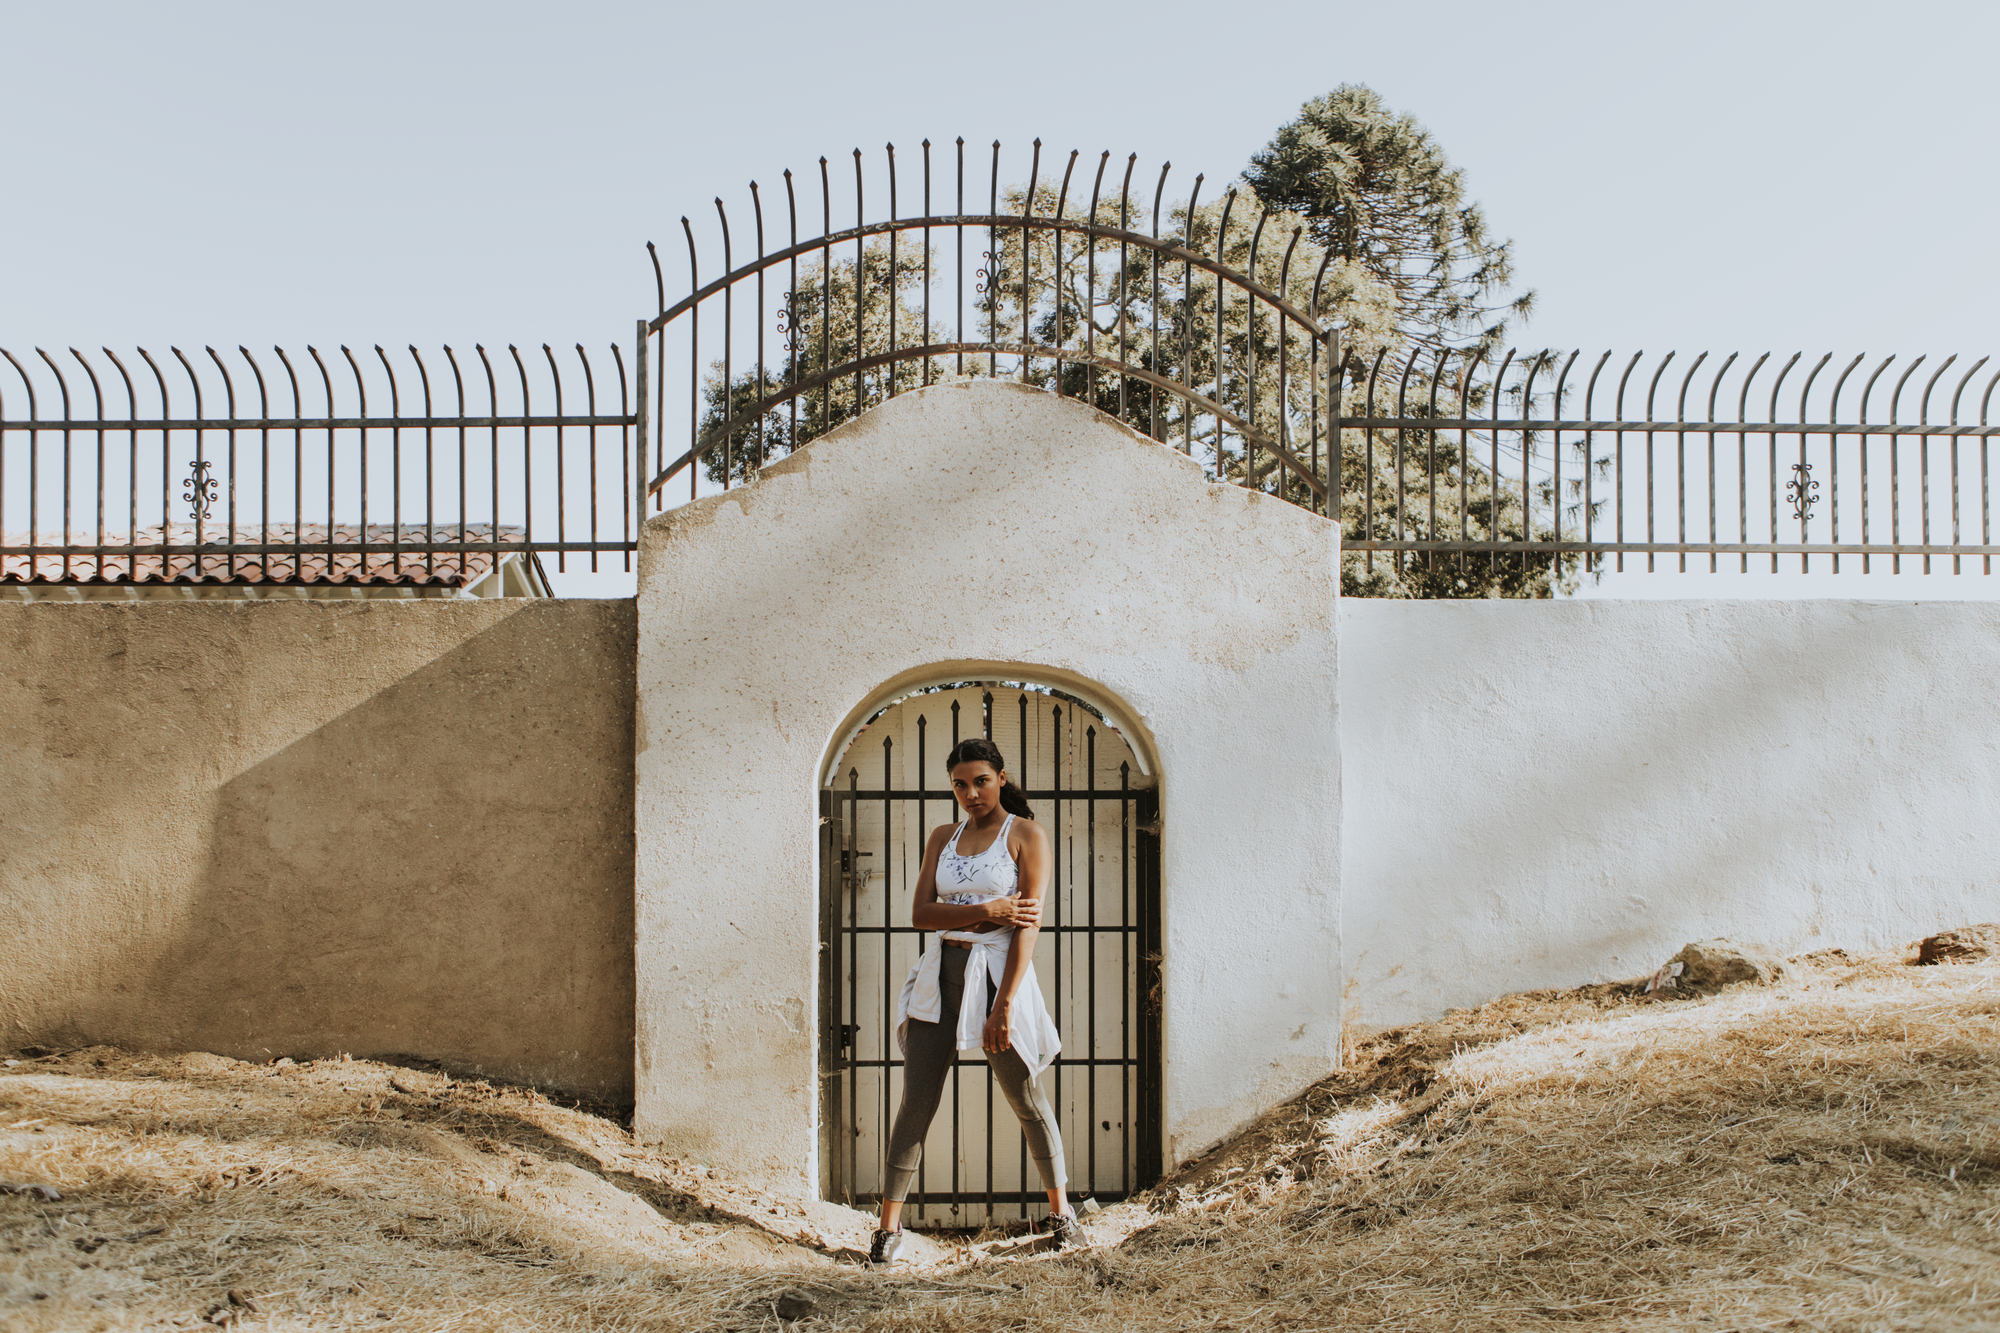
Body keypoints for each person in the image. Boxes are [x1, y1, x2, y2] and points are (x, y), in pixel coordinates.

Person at [869, 737, 1080, 1266]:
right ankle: (886, 1232)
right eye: (960, 784)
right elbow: (920, 914)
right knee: (916, 1098)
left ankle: (1062, 1217)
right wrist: (988, 907)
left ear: (1002, 778)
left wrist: (1004, 1004)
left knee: (1025, 1096)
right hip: (940, 975)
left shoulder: (1026, 835)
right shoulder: (943, 835)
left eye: (980, 780)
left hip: (996, 978)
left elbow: (1025, 929)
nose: (970, 792)